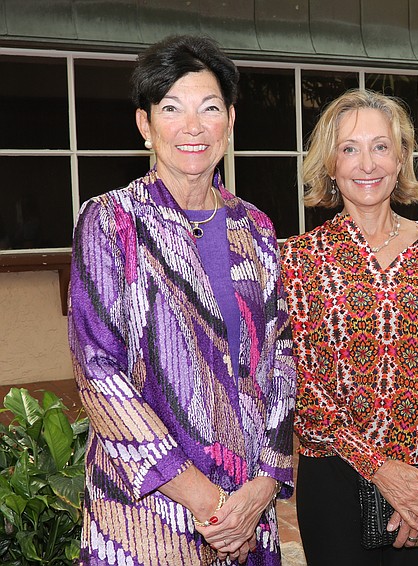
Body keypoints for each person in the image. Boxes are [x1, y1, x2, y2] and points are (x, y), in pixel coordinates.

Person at [67, 35, 296, 565]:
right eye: (172, 108)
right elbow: (100, 374)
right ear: (146, 125)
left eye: (209, 108)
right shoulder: (110, 222)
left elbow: (280, 358)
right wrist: (210, 503)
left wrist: (264, 485)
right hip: (147, 511)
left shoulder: (255, 227)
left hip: (248, 508)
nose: (192, 127)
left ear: (230, 121)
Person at [280, 89, 418, 565]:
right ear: (329, 164)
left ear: (401, 160)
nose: (366, 163)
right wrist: (382, 472)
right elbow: (303, 387)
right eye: (349, 148)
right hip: (334, 478)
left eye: (380, 146)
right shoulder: (298, 259)